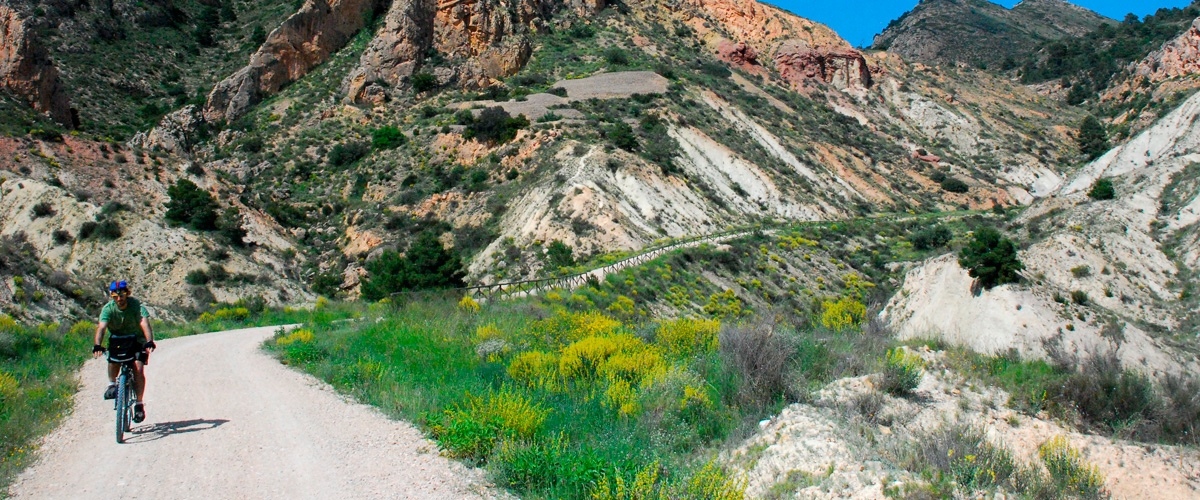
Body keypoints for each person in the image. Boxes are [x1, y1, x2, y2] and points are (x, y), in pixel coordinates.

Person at [93, 281, 156, 423]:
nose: (119, 299)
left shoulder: (136, 306)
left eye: (122, 296)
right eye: (115, 296)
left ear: (127, 294)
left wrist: (149, 340)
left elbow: (144, 323)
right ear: (112, 296)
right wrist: (97, 344)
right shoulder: (108, 309)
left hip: (137, 340)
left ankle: (139, 404)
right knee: (113, 360)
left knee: (138, 369)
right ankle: (112, 384)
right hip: (118, 340)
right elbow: (102, 327)